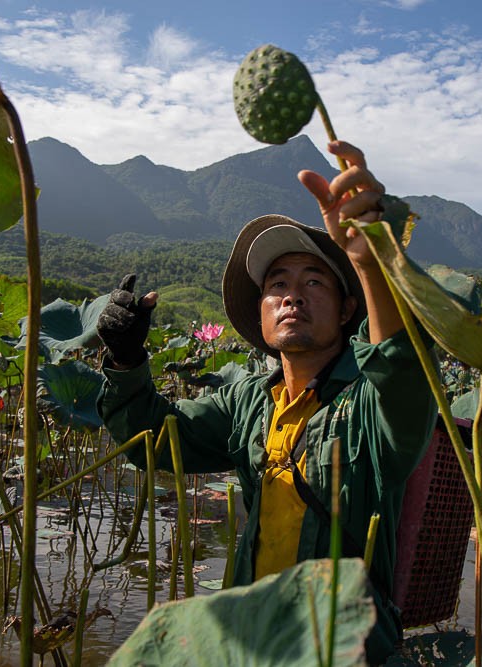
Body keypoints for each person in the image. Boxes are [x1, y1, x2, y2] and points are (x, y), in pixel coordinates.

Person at [96, 141, 436, 662]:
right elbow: (155, 440)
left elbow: (403, 373)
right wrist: (124, 360)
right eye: (277, 285)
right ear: (261, 313)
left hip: (344, 648)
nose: (291, 296)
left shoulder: (368, 405)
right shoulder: (247, 403)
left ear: (348, 310)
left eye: (313, 282)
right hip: (254, 642)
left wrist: (369, 264)